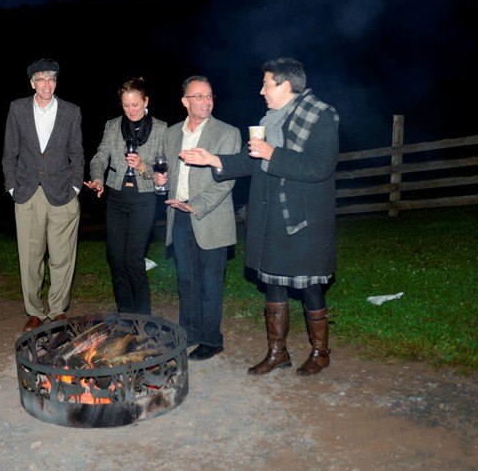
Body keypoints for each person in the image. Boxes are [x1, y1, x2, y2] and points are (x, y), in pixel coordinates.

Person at [179, 58, 339, 376]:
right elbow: (251, 161)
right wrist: (214, 159)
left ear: (285, 85)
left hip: (303, 219)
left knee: (308, 285)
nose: (261, 90)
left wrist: (272, 154)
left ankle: (320, 353)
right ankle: (277, 352)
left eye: (266, 83)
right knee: (274, 285)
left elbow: (320, 166)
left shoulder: (320, 115)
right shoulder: (269, 119)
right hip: (270, 216)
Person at [155, 76, 240, 361]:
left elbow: (226, 180)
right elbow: (168, 175)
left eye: (210, 96)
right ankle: (188, 332)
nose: (206, 101)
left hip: (210, 216)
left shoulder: (227, 133)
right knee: (186, 278)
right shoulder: (172, 134)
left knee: (210, 280)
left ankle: (211, 339)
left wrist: (197, 205)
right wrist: (161, 182)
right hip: (178, 215)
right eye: (199, 96)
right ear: (185, 102)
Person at [2, 58, 84, 332]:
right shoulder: (18, 108)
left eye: (51, 79)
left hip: (63, 193)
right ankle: (35, 311)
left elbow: (77, 152)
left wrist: (75, 187)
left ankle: (58, 309)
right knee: (30, 257)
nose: (47, 84)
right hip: (27, 194)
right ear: (32, 83)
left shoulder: (71, 111)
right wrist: (12, 187)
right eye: (41, 79)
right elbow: (9, 151)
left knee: (62, 257)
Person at [85, 77, 166, 315]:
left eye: (135, 105)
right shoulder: (112, 126)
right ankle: (125, 315)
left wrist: (142, 166)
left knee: (133, 259)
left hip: (144, 198)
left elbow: (163, 169)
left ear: (146, 101)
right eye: (126, 105)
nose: (130, 110)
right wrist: (98, 178)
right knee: (116, 258)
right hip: (117, 197)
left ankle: (144, 317)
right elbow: (100, 157)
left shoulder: (161, 128)